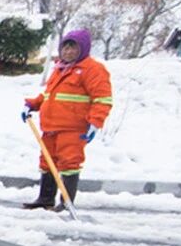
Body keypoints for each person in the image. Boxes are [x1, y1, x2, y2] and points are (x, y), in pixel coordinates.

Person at [21, 29, 112, 211]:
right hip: (50, 127)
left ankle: (66, 202)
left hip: (73, 128)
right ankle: (45, 199)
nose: (68, 52)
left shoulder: (93, 69)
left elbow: (103, 99)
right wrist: (32, 104)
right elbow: (49, 95)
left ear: (83, 48)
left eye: (73, 48)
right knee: (47, 162)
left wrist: (95, 122)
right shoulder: (59, 69)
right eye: (65, 48)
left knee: (69, 163)